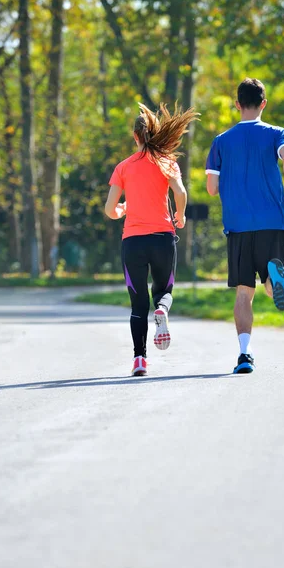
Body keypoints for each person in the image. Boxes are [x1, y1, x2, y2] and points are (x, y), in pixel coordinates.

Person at [206, 78, 284, 374]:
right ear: (263, 104)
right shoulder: (276, 133)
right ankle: (274, 282)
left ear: (237, 104)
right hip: (273, 221)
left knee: (244, 293)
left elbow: (211, 187)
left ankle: (244, 355)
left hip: (238, 225)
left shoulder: (221, 141)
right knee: (270, 284)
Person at [105, 102, 198, 376]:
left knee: (137, 305)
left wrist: (122, 209)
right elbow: (180, 193)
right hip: (162, 239)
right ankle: (162, 311)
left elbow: (110, 210)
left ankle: (139, 361)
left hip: (133, 242)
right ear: (153, 134)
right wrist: (180, 216)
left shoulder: (123, 167)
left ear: (134, 136)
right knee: (164, 292)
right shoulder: (167, 162)